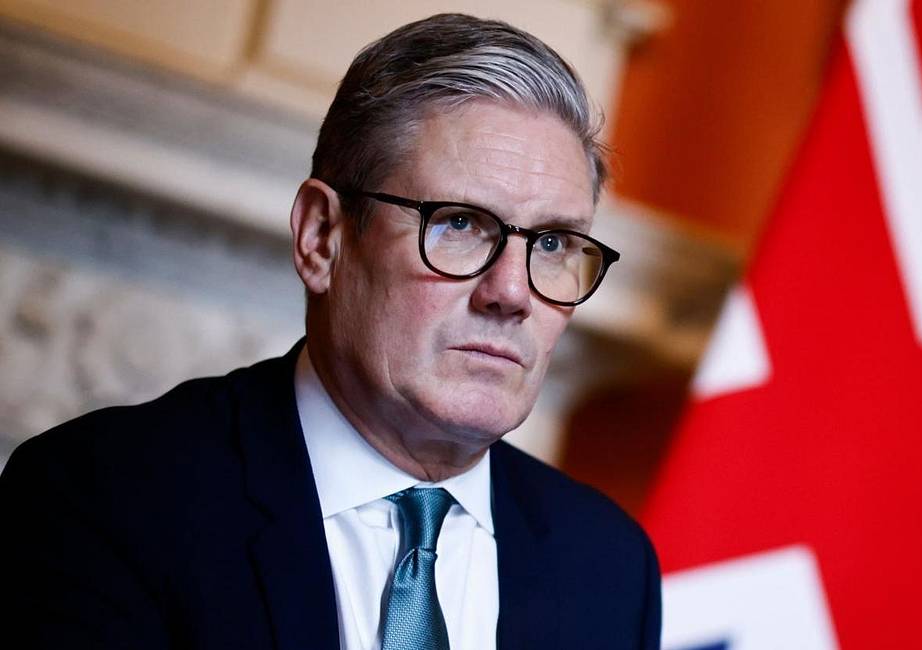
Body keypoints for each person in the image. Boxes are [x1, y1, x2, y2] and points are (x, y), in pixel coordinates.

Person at [0, 13, 661, 650]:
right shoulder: (105, 496)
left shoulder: (609, 567)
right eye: (459, 224)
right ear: (321, 237)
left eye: (553, 242)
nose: (512, 293)